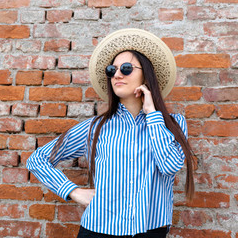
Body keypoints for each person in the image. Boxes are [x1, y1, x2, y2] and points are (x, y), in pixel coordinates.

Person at [26, 28, 195, 238]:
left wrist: (152, 114)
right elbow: (37, 160)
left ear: (146, 74)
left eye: (126, 68)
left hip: (150, 231)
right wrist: (74, 191)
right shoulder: (95, 127)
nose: (116, 74)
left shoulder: (174, 124)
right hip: (99, 231)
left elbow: (169, 166)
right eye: (111, 70)